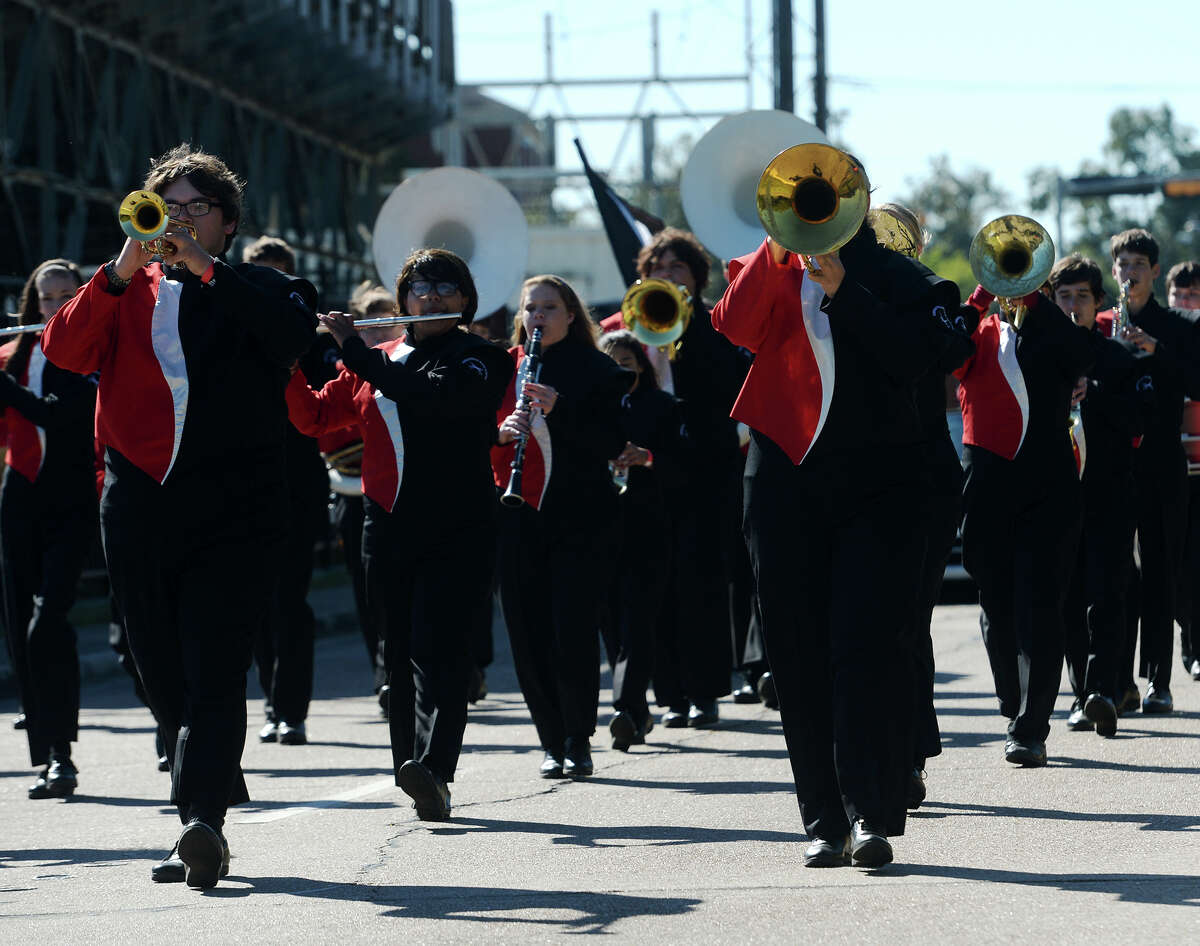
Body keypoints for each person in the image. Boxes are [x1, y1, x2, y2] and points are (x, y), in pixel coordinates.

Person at [41, 143, 318, 888]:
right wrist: (120, 269)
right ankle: (208, 781)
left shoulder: (269, 287)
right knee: (155, 667)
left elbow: (293, 340)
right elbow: (62, 352)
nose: (181, 221)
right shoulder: (124, 289)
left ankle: (200, 824)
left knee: (215, 668)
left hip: (238, 506)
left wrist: (202, 266)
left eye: (197, 209)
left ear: (227, 222)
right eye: (170, 206)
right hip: (139, 501)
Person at [712, 189, 966, 868]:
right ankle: (823, 819)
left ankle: (872, 813)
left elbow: (922, 356)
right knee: (795, 655)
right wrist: (773, 248)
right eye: (801, 204)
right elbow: (735, 328)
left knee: (868, 648)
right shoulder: (763, 265)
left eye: (826, 202)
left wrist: (847, 291)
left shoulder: (905, 278)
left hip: (882, 487)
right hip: (782, 484)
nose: (814, 216)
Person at [286, 249, 512, 821]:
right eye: (418, 287)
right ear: (402, 298)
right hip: (386, 523)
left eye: (444, 287)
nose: (431, 295)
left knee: (446, 648)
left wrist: (355, 353)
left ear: (465, 301)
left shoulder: (481, 357)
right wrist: (282, 359)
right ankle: (412, 770)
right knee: (399, 650)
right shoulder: (378, 358)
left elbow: (433, 398)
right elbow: (313, 418)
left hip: (460, 523)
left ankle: (437, 767)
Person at [603, 228, 749, 729]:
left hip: (701, 476)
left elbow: (728, 397)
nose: (665, 277)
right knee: (653, 593)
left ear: (697, 278)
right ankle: (670, 695)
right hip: (641, 487)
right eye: (656, 269)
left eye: (676, 269)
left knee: (701, 585)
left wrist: (689, 333)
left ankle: (705, 692)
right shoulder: (622, 330)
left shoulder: (714, 328)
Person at [955, 258, 1094, 768]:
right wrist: (977, 298)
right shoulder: (976, 327)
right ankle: (1013, 703)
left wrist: (1036, 300)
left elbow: (1083, 354)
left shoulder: (1054, 330)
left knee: (1042, 601)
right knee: (995, 599)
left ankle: (1032, 726)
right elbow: (945, 358)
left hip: (1048, 482)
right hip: (987, 480)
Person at [493, 275, 631, 779]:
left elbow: (613, 441)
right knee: (527, 633)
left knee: (571, 630)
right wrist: (502, 433)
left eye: (550, 308)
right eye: (531, 308)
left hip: (582, 519)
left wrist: (562, 409)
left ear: (571, 315)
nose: (539, 317)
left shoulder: (597, 370)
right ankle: (550, 740)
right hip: (517, 518)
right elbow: (477, 437)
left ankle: (577, 738)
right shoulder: (504, 368)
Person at [0, 259, 97, 800]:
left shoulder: (88, 355)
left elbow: (57, 417)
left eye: (65, 295)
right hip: (19, 495)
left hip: (71, 497)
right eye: (45, 298)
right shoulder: (12, 355)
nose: (54, 306)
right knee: (20, 628)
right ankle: (50, 757)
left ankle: (63, 752)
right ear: (31, 303)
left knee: (48, 621)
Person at [1101, 231, 1200, 714]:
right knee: (1120, 575)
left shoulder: (1179, 324)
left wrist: (1156, 349)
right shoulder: (1104, 324)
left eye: (1139, 264)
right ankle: (1120, 680)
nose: (1131, 273)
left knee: (1163, 572)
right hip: (1116, 465)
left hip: (1163, 461)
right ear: (1114, 270)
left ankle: (1160, 682)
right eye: (1123, 264)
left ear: (1156, 271)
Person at [1053, 255, 1146, 738]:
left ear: (1098, 303)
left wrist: (1097, 394)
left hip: (1110, 494)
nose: (1072, 306)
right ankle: (1078, 694)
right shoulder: (1040, 356)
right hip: (1059, 496)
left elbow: (1139, 423)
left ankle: (1104, 690)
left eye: (1082, 297)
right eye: (1063, 296)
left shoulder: (1118, 359)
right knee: (1068, 599)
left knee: (1108, 595)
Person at [242, 236, 328, 746]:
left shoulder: (311, 340)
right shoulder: (234, 328)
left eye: (277, 277)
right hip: (247, 477)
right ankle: (271, 700)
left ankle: (290, 708)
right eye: (259, 276)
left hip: (296, 479)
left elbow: (318, 408)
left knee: (290, 600)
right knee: (254, 603)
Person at [597, 330, 684, 751]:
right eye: (611, 367)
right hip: (600, 528)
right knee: (611, 624)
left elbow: (687, 464)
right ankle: (637, 710)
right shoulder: (591, 407)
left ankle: (627, 708)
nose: (620, 374)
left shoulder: (663, 406)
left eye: (627, 367)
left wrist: (648, 458)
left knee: (638, 621)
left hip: (649, 526)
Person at [1165, 261, 1200, 683]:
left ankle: (1193, 649)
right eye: (1180, 294)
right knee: (1174, 566)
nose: (1186, 301)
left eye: (1193, 294)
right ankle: (1186, 637)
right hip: (1170, 467)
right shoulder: (1159, 336)